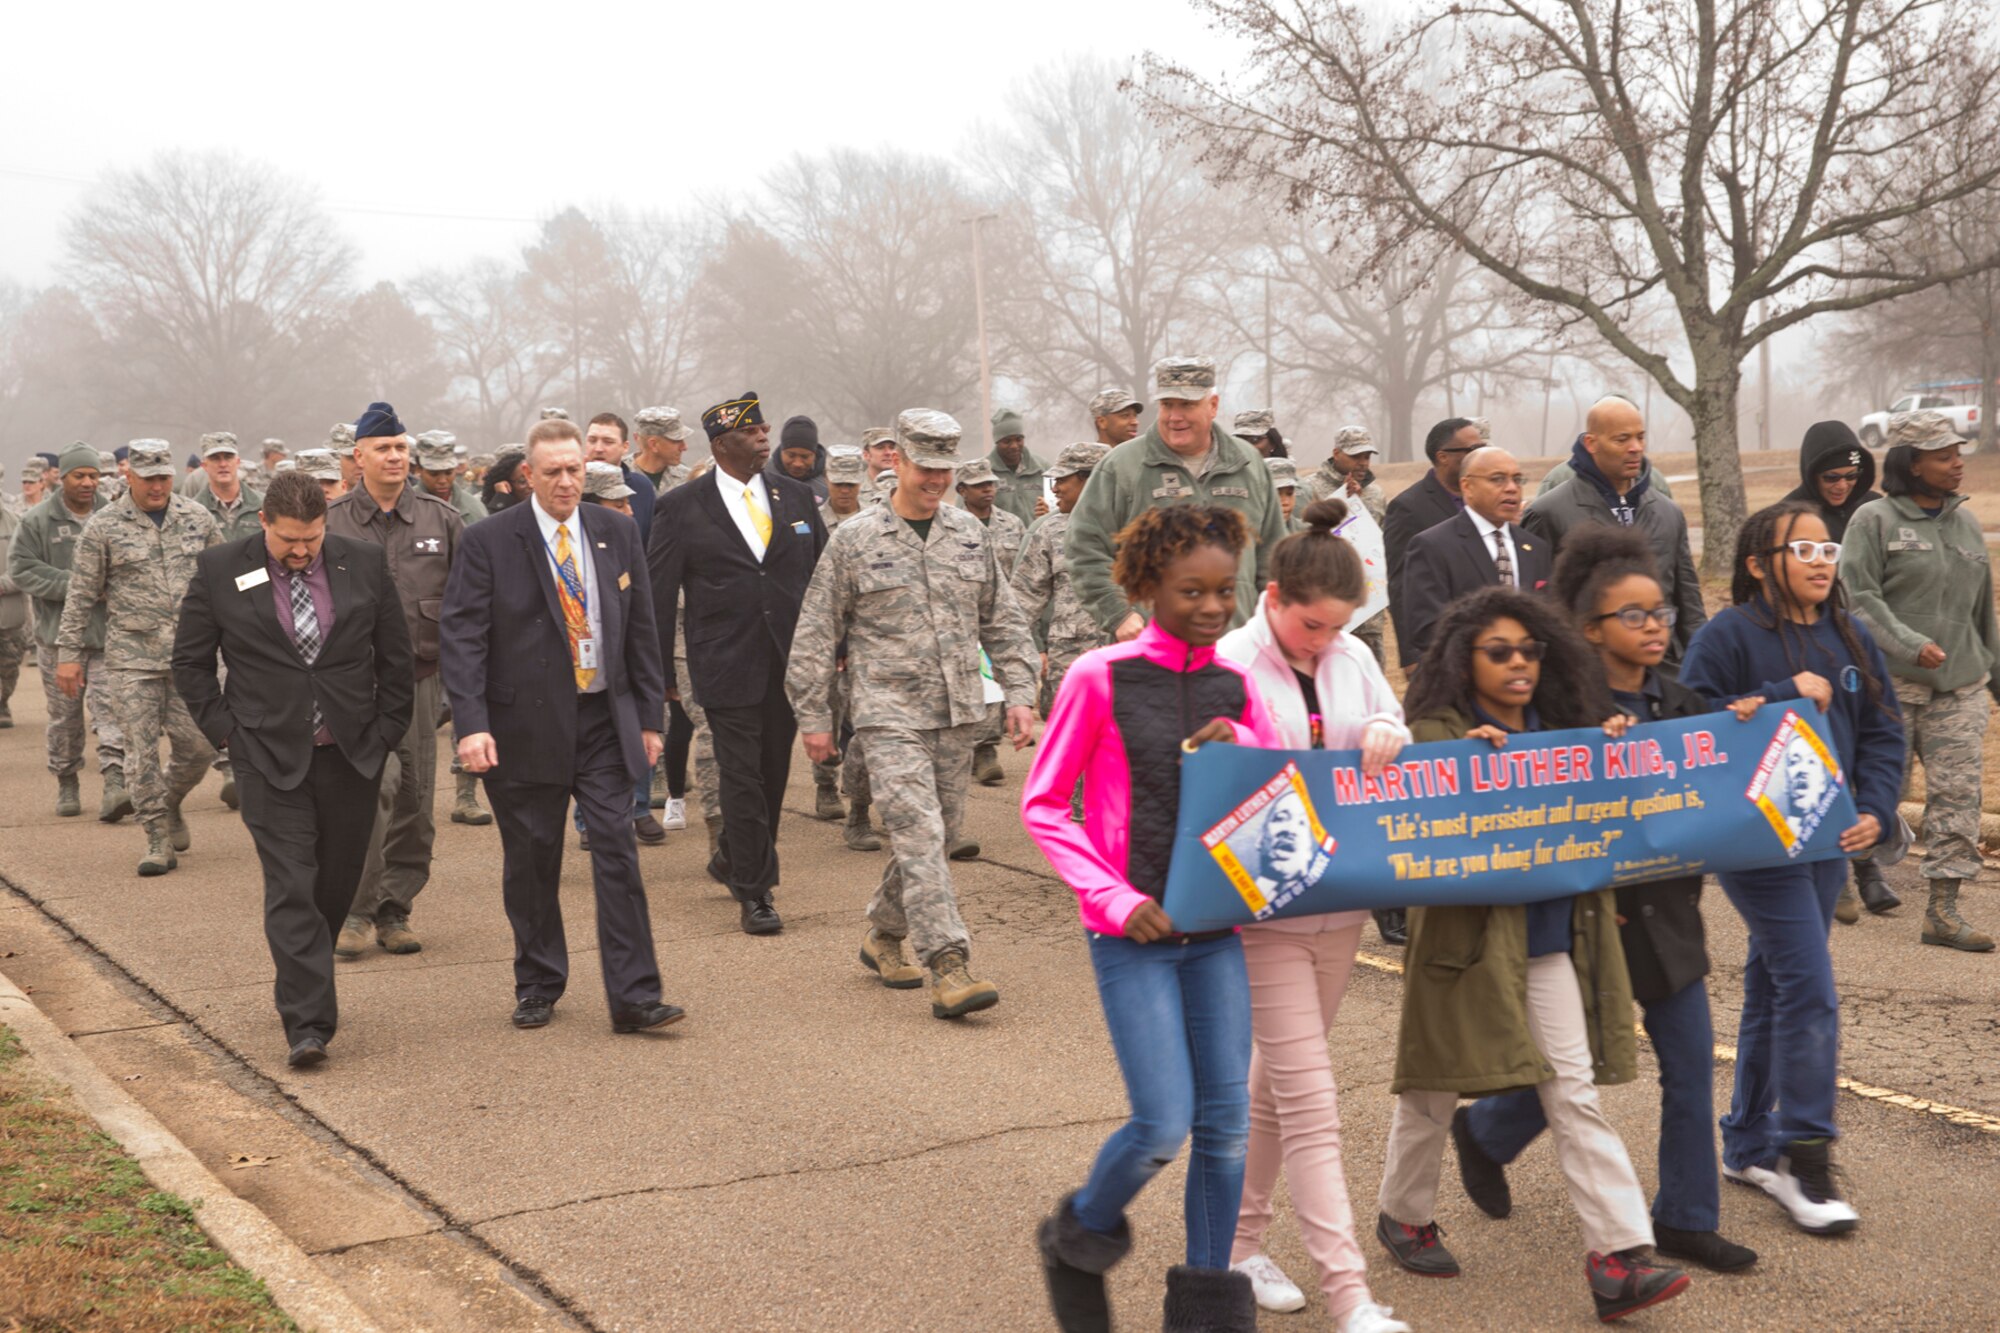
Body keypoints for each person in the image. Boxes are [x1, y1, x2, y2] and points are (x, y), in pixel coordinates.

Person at [1451, 526, 1758, 1276]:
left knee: (1689, 1065)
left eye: (1660, 612)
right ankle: (1485, 1133)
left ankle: (1686, 1216)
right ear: (1590, 630)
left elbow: (1720, 793)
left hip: (1671, 919)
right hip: (1593, 923)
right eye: (1634, 615)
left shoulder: (1686, 704)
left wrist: (1747, 725)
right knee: (1576, 1065)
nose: (1655, 626)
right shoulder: (1560, 713)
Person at [1378, 586, 1690, 1322]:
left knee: (1573, 1095)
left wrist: (1613, 747)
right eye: (1500, 651)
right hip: (1465, 946)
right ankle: (1403, 1214)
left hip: (1550, 943)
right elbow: (1404, 820)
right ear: (1464, 659)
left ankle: (1617, 1259)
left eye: (1530, 649)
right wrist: (1458, 765)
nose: (1519, 663)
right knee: (1433, 1091)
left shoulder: (1568, 726)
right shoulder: (1435, 731)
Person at [1021, 504, 1275, 1333]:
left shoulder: (1236, 685)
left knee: (1227, 1125)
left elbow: (1276, 788)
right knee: (1165, 1121)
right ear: (1146, 584)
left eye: (1223, 591)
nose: (1210, 607)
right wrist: (1117, 900)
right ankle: (1079, 1231)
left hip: (1216, 934)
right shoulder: (1099, 674)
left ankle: (1207, 1307)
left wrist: (1237, 735)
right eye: (1190, 590)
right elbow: (1045, 805)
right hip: (1130, 935)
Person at [1212, 497, 1414, 1333]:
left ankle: (1237, 1247)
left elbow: (1389, 716)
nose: (1321, 640)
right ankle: (1351, 1296)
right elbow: (1210, 774)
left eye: (1335, 628)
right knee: (1310, 1100)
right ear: (1273, 594)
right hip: (1262, 916)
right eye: (1309, 625)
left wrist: (1382, 728)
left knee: (1275, 1088)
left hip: (1343, 905)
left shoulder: (1355, 654)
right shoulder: (1227, 659)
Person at [1678, 500, 1905, 1234]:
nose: (1818, 560)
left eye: (1827, 548)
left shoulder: (1850, 632)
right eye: (1800, 547)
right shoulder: (1727, 634)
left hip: (1828, 843)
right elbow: (1690, 724)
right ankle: (1806, 1153)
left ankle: (1746, 1142)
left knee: (1774, 984)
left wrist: (1873, 804)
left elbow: (1881, 728)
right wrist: (1780, 693)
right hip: (1757, 843)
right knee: (1809, 987)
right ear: (1757, 563)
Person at [788, 408, 1037, 1016]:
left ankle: (883, 932)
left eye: (945, 469)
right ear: (896, 459)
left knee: (937, 835)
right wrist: (813, 714)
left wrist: (1022, 692)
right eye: (926, 467)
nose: (936, 480)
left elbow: (1001, 618)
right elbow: (818, 631)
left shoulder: (968, 535)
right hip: (886, 711)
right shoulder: (855, 539)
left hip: (956, 711)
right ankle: (949, 964)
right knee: (920, 832)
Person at [441, 417, 680, 1035]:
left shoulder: (614, 532)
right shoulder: (490, 540)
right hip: (523, 727)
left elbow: (642, 628)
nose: (568, 482)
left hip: (602, 719)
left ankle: (635, 996)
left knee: (616, 849)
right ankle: (539, 980)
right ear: (529, 475)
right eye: (554, 472)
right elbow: (463, 636)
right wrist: (471, 724)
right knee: (533, 858)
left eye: (575, 469)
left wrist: (649, 718)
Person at [170, 471, 412, 1068]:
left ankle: (308, 977)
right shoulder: (220, 569)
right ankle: (307, 1023)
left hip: (351, 752)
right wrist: (227, 734)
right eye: (288, 542)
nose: (302, 552)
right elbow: (191, 664)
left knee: (333, 884)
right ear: (263, 524)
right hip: (266, 756)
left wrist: (386, 732)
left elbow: (397, 655)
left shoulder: (363, 561)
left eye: (312, 539)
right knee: (291, 885)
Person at [649, 391, 827, 936]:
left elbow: (824, 580)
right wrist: (659, 672)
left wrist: (833, 648)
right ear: (723, 443)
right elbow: (656, 594)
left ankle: (733, 855)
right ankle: (756, 890)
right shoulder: (681, 507)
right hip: (722, 663)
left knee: (773, 771)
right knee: (740, 775)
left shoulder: (796, 498)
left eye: (764, 427)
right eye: (753, 432)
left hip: (787, 661)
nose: (764, 437)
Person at [1843, 410, 2000, 950]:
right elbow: (1858, 601)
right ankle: (1843, 874)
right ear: (1912, 464)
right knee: (1875, 793)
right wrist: (1910, 644)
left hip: (1959, 689)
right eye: (1944, 455)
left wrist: (1995, 678)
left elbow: (1983, 615)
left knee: (1957, 800)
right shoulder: (1874, 520)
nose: (1958, 462)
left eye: (1958, 452)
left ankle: (1943, 911)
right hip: (1889, 686)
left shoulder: (1966, 525)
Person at [323, 403, 465, 960]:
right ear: (358, 457)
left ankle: (395, 908)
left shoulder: (440, 519)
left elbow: (467, 607)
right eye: (383, 448)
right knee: (372, 791)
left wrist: (460, 686)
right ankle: (355, 911)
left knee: (415, 801)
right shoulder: (331, 522)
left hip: (421, 681)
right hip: (354, 688)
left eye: (402, 448)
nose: (395, 457)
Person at [55, 442, 221, 876]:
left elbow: (226, 580)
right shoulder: (104, 527)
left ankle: (168, 803)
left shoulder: (197, 518)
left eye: (165, 476)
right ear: (129, 478)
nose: (158, 485)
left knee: (199, 747)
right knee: (140, 752)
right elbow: (80, 595)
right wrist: (68, 654)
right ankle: (156, 838)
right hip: (131, 659)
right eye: (149, 478)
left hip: (189, 657)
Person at [1067, 357, 1289, 646]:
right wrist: (1119, 614)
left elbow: (1272, 555)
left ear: (1213, 405)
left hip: (1237, 648)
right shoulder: (1123, 466)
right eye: (1167, 404)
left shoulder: (1248, 464)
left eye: (1186, 405)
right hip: (1152, 650)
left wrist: (1272, 624)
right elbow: (1084, 547)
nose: (1174, 416)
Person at [1525, 397, 1706, 657]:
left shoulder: (1669, 513)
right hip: (1587, 671)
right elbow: (1537, 608)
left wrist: (1700, 665)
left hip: (1663, 670)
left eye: (1640, 437)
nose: (1635, 448)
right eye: (1622, 440)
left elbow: (1689, 604)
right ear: (1591, 443)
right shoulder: (1548, 513)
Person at [7, 445, 128, 819]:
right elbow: (22, 568)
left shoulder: (116, 515)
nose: (89, 482)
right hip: (58, 641)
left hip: (108, 638)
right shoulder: (38, 521)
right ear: (62, 478)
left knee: (111, 713)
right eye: (80, 475)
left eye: (94, 475)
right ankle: (67, 779)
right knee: (65, 717)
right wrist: (77, 584)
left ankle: (115, 782)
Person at [1396, 446, 1553, 667]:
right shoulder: (1433, 546)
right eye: (1498, 479)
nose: (1511, 488)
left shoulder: (1535, 547)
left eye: (1517, 480)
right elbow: (1426, 628)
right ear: (1467, 486)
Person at [1011, 442, 1112, 720]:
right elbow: (1020, 604)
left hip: (1126, 666)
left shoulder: (1137, 525)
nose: (1054, 489)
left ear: (1091, 479)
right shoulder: (1050, 531)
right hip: (1069, 667)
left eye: (1062, 480)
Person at [807, 450, 875, 829]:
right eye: (839, 483)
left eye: (851, 483)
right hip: (826, 632)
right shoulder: (812, 523)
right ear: (828, 480)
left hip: (864, 635)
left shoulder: (873, 521)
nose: (845, 491)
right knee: (828, 712)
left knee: (862, 719)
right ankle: (825, 784)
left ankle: (860, 798)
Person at [956, 457, 1030, 789]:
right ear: (961, 490)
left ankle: (985, 751)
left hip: (1000, 618)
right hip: (961, 619)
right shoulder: (954, 526)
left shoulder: (1013, 524)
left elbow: (1027, 574)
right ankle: (967, 748)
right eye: (979, 485)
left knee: (995, 684)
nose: (988, 489)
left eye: (991, 483)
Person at [1382, 418, 1477, 655]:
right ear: (1443, 456)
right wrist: (1410, 653)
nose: (1480, 455)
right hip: (1438, 642)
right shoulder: (1408, 508)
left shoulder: (1484, 499)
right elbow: (1400, 584)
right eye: (1472, 450)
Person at [1783, 421, 1878, 544]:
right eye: (1831, 478)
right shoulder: (1788, 516)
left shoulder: (1873, 508)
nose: (1842, 486)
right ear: (1812, 476)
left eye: (1851, 476)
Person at [582, 413, 657, 545]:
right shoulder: (570, 487)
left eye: (608, 442)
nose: (598, 448)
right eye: (592, 440)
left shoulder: (642, 488)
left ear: (625, 447)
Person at [989, 407, 1050, 525]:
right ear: (997, 442)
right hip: (1002, 541)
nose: (1014, 446)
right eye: (1007, 441)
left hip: (1039, 539)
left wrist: (1049, 510)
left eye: (1019, 439)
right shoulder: (985, 472)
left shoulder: (1042, 468)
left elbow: (1061, 505)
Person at [414, 431, 487, 525]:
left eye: (448, 473)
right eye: (434, 474)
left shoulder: (474, 508)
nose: (442, 480)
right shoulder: (405, 505)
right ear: (419, 470)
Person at [632, 407, 695, 493]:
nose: (684, 447)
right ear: (653, 444)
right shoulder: (618, 476)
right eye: (676, 441)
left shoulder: (688, 479)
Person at [481, 446, 529, 514]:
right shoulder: (481, 507)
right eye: (522, 481)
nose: (531, 485)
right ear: (508, 484)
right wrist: (502, 499)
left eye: (534, 478)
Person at [860, 427, 899, 506]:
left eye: (891, 447)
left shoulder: (906, 485)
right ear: (866, 455)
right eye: (880, 448)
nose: (888, 453)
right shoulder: (855, 489)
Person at [1265, 456, 1303, 531]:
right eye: (1276, 495)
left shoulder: (1307, 533)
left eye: (1289, 494)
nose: (1285, 502)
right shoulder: (1243, 536)